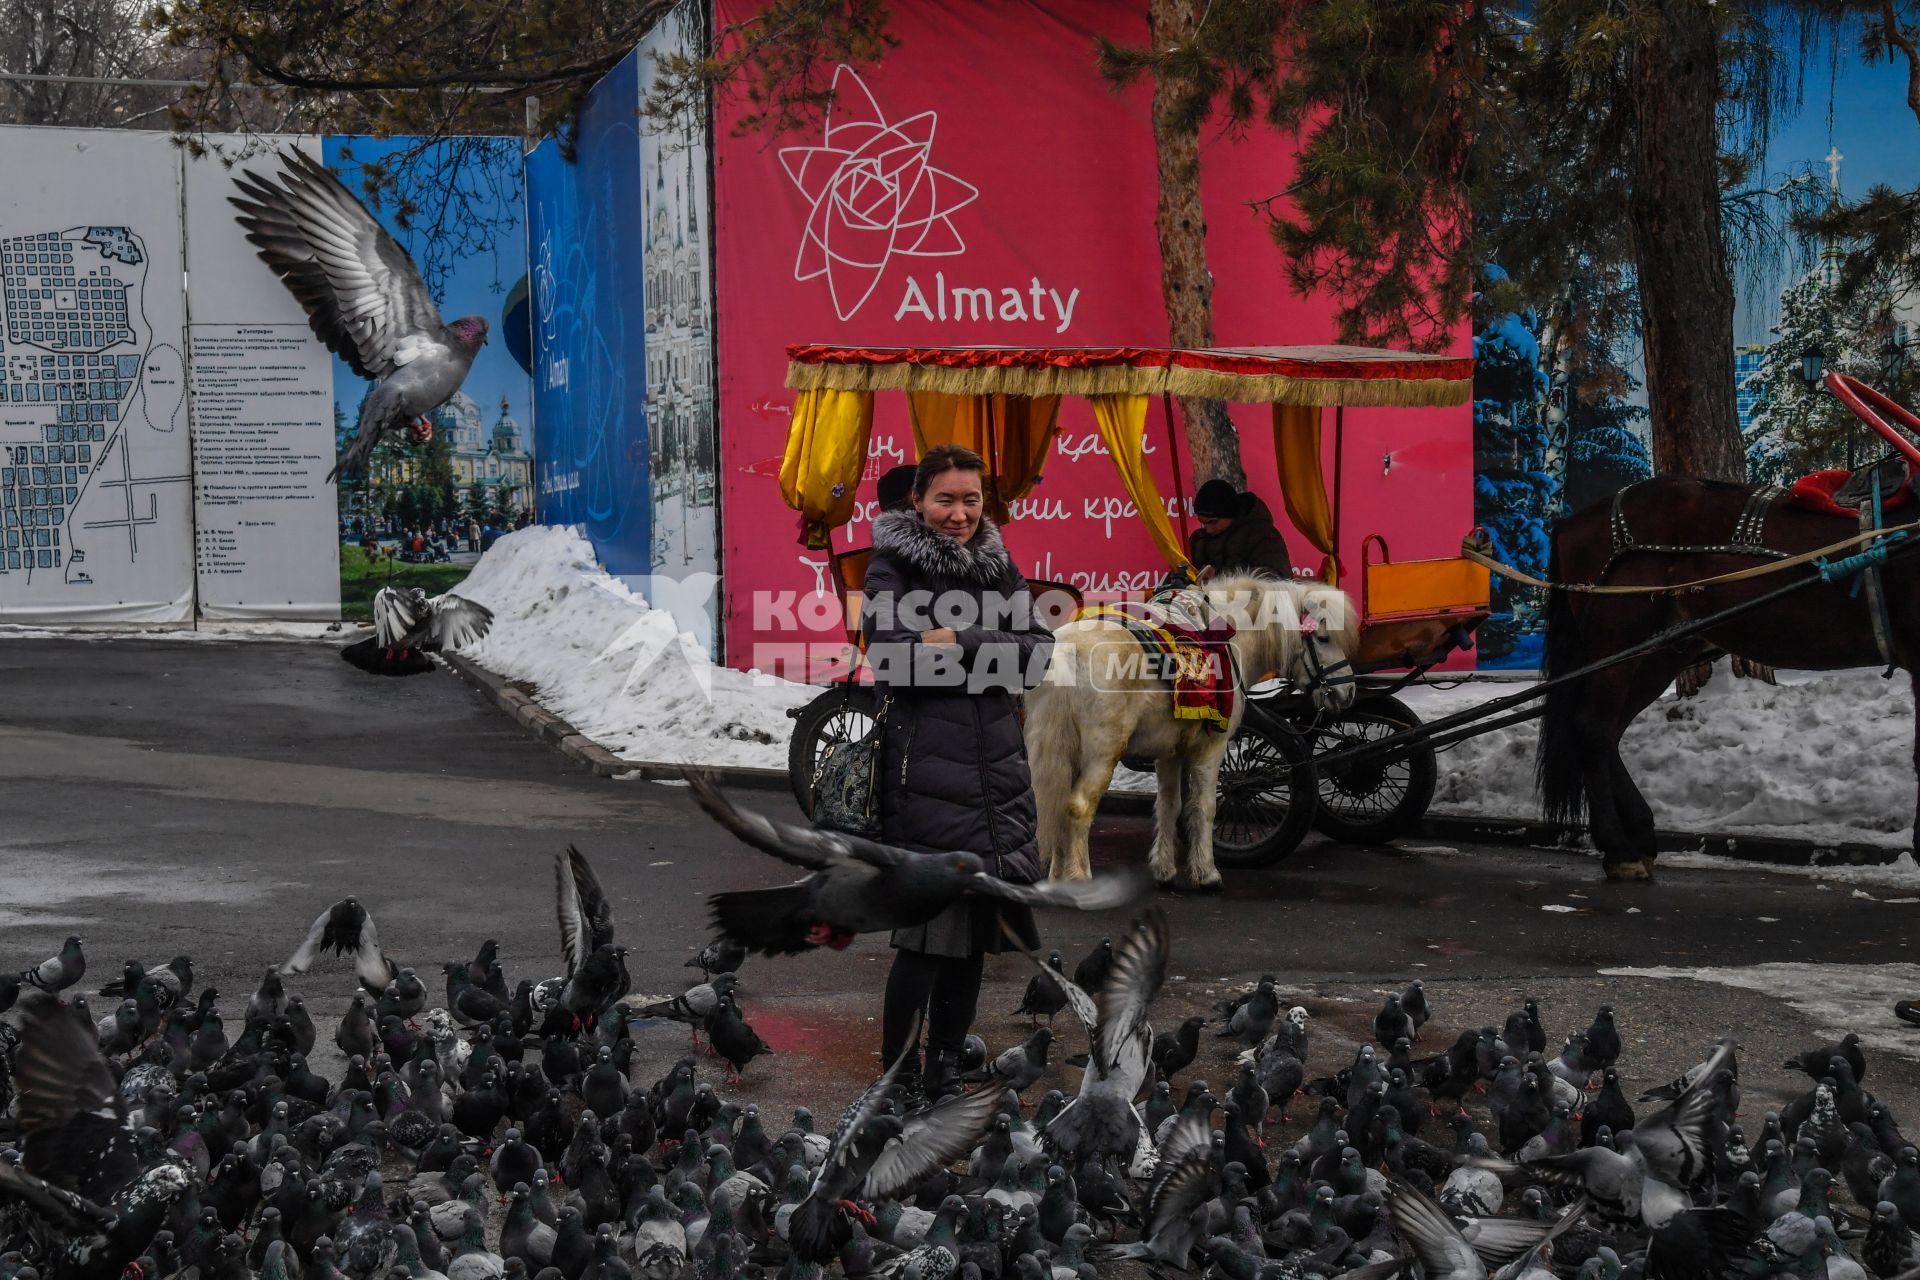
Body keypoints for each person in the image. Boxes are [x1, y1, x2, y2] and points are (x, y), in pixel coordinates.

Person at [861, 444, 1055, 1101]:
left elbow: (1035, 656)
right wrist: (976, 657)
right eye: (946, 499)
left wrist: (960, 639)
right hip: (930, 779)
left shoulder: (998, 566)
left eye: (971, 499)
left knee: (970, 940)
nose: (960, 513)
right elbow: (895, 662)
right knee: (925, 941)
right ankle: (898, 1077)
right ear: (917, 501)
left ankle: (943, 1067)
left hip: (995, 777)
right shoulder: (892, 569)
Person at [1188, 478, 1294, 580]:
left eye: (1213, 522)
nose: (1208, 530)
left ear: (1230, 514)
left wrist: (1220, 574)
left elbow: (1277, 576)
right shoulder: (1198, 540)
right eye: (1203, 523)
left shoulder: (1263, 535)